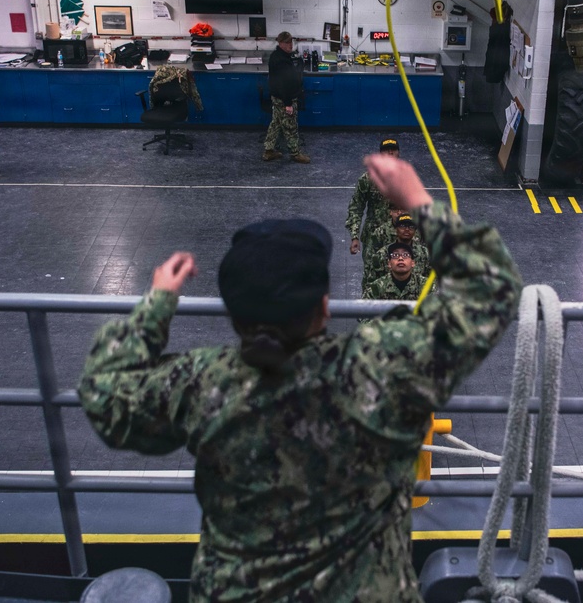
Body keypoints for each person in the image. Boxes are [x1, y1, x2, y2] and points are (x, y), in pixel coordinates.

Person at [78, 155, 522, 602]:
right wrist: (418, 201)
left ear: (236, 317)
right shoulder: (379, 369)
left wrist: (156, 306)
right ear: (324, 307)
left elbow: (104, 393)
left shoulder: (201, 384)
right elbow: (493, 286)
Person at [346, 138, 400, 292]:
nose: (390, 152)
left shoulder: (405, 178)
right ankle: (367, 315)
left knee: (398, 276)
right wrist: (355, 236)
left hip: (399, 236)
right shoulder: (368, 179)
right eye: (386, 150)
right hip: (373, 238)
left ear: (398, 153)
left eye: (393, 149)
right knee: (371, 277)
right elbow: (356, 207)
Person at [263, 31, 309, 164]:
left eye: (291, 42)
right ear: (280, 43)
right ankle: (295, 153)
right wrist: (288, 104)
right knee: (291, 126)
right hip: (284, 98)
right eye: (287, 43)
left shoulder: (279, 55)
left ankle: (268, 151)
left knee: (276, 123)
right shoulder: (281, 60)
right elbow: (284, 84)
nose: (290, 45)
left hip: (278, 98)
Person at [368, 213, 430, 285]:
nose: (407, 229)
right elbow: (371, 284)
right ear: (396, 229)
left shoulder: (425, 253)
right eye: (402, 226)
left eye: (411, 226)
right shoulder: (382, 254)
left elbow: (432, 282)